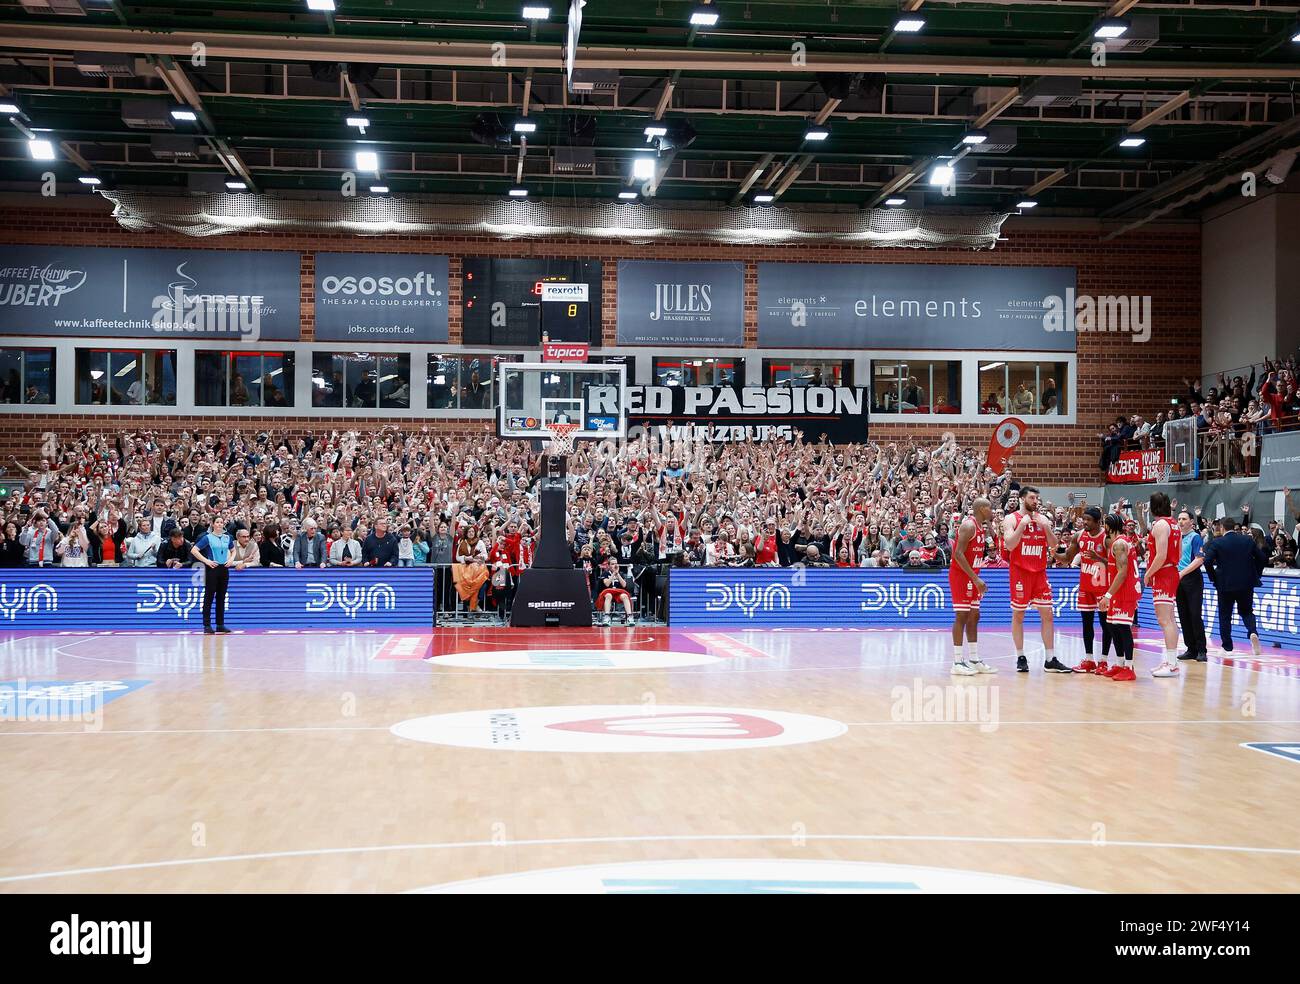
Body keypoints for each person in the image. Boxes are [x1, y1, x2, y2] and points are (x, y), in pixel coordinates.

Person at [1003, 486, 1072, 673]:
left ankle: (1050, 659)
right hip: (1020, 573)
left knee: (1048, 614)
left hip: (1040, 572)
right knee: (1018, 615)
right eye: (1032, 498)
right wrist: (1023, 526)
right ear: (1022, 499)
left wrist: (1046, 527)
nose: (1036, 501)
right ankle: (1021, 656)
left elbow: (1054, 544)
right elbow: (1009, 545)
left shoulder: (1043, 520)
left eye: (1037, 498)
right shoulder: (1012, 519)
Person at [1203, 517, 1269, 655]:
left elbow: (1207, 561)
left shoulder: (1217, 542)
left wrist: (1213, 578)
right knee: (1246, 611)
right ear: (1234, 527)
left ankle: (1227, 646)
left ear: (1222, 528)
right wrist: (1256, 573)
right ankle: (1252, 632)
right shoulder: (1247, 540)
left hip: (1225, 584)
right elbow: (1263, 558)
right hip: (1246, 583)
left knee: (1225, 615)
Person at [948, 497, 996, 675]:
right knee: (962, 615)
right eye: (990, 508)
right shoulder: (969, 526)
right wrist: (975, 579)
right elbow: (958, 554)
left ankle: (974, 659)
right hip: (961, 576)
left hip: (973, 575)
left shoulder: (981, 527)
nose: (992, 511)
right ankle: (957, 662)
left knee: (975, 615)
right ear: (983, 509)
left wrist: (976, 578)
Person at [1065, 507, 1112, 674]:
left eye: (1088, 520)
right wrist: (1054, 554)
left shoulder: (1106, 539)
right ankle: (1089, 659)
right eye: (1083, 519)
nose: (1085, 522)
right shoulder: (1078, 536)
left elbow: (1115, 564)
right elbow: (1068, 558)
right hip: (1085, 586)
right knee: (1086, 624)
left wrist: (1098, 558)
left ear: (1098, 522)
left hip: (1102, 588)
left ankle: (1104, 660)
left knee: (1106, 625)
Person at [1143, 492, 1183, 678]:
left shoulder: (1160, 525)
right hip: (1171, 571)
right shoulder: (1174, 524)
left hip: (1164, 573)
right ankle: (1171, 661)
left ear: (1153, 507)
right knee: (1170, 619)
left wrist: (1149, 573)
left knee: (1164, 620)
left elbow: (1160, 555)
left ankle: (1172, 664)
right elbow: (1180, 554)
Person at [1098, 513, 1138, 681]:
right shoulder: (1118, 542)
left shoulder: (1120, 544)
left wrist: (1107, 595)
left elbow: (1122, 573)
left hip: (1126, 591)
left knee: (1123, 629)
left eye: (1104, 525)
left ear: (1108, 526)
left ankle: (1129, 667)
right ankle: (1120, 664)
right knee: (1114, 627)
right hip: (1119, 591)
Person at [1174, 509, 1207, 663]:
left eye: (1184, 519)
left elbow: (1199, 559)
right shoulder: (1177, 537)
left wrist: (1182, 573)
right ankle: (1190, 648)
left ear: (1191, 522)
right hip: (1178, 578)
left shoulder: (1195, 538)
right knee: (1183, 615)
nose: (1180, 521)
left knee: (1194, 614)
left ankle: (1201, 650)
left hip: (1191, 578)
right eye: (1179, 519)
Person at [191, 516, 233, 634]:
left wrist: (231, 560)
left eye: (221, 522)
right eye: (217, 522)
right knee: (209, 597)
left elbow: (233, 550)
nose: (220, 524)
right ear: (212, 524)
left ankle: (220, 624)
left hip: (224, 569)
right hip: (212, 569)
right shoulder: (207, 538)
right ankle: (207, 625)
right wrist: (206, 561)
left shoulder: (227, 537)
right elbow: (194, 550)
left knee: (221, 597)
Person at [595, 556, 636, 626]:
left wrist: (618, 574)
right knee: (608, 595)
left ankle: (629, 617)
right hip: (608, 592)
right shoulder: (605, 573)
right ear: (608, 565)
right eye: (612, 564)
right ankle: (607, 617)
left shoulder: (621, 573)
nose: (615, 565)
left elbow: (624, 585)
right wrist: (613, 574)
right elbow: (607, 584)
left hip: (618, 593)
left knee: (625, 596)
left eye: (616, 563)